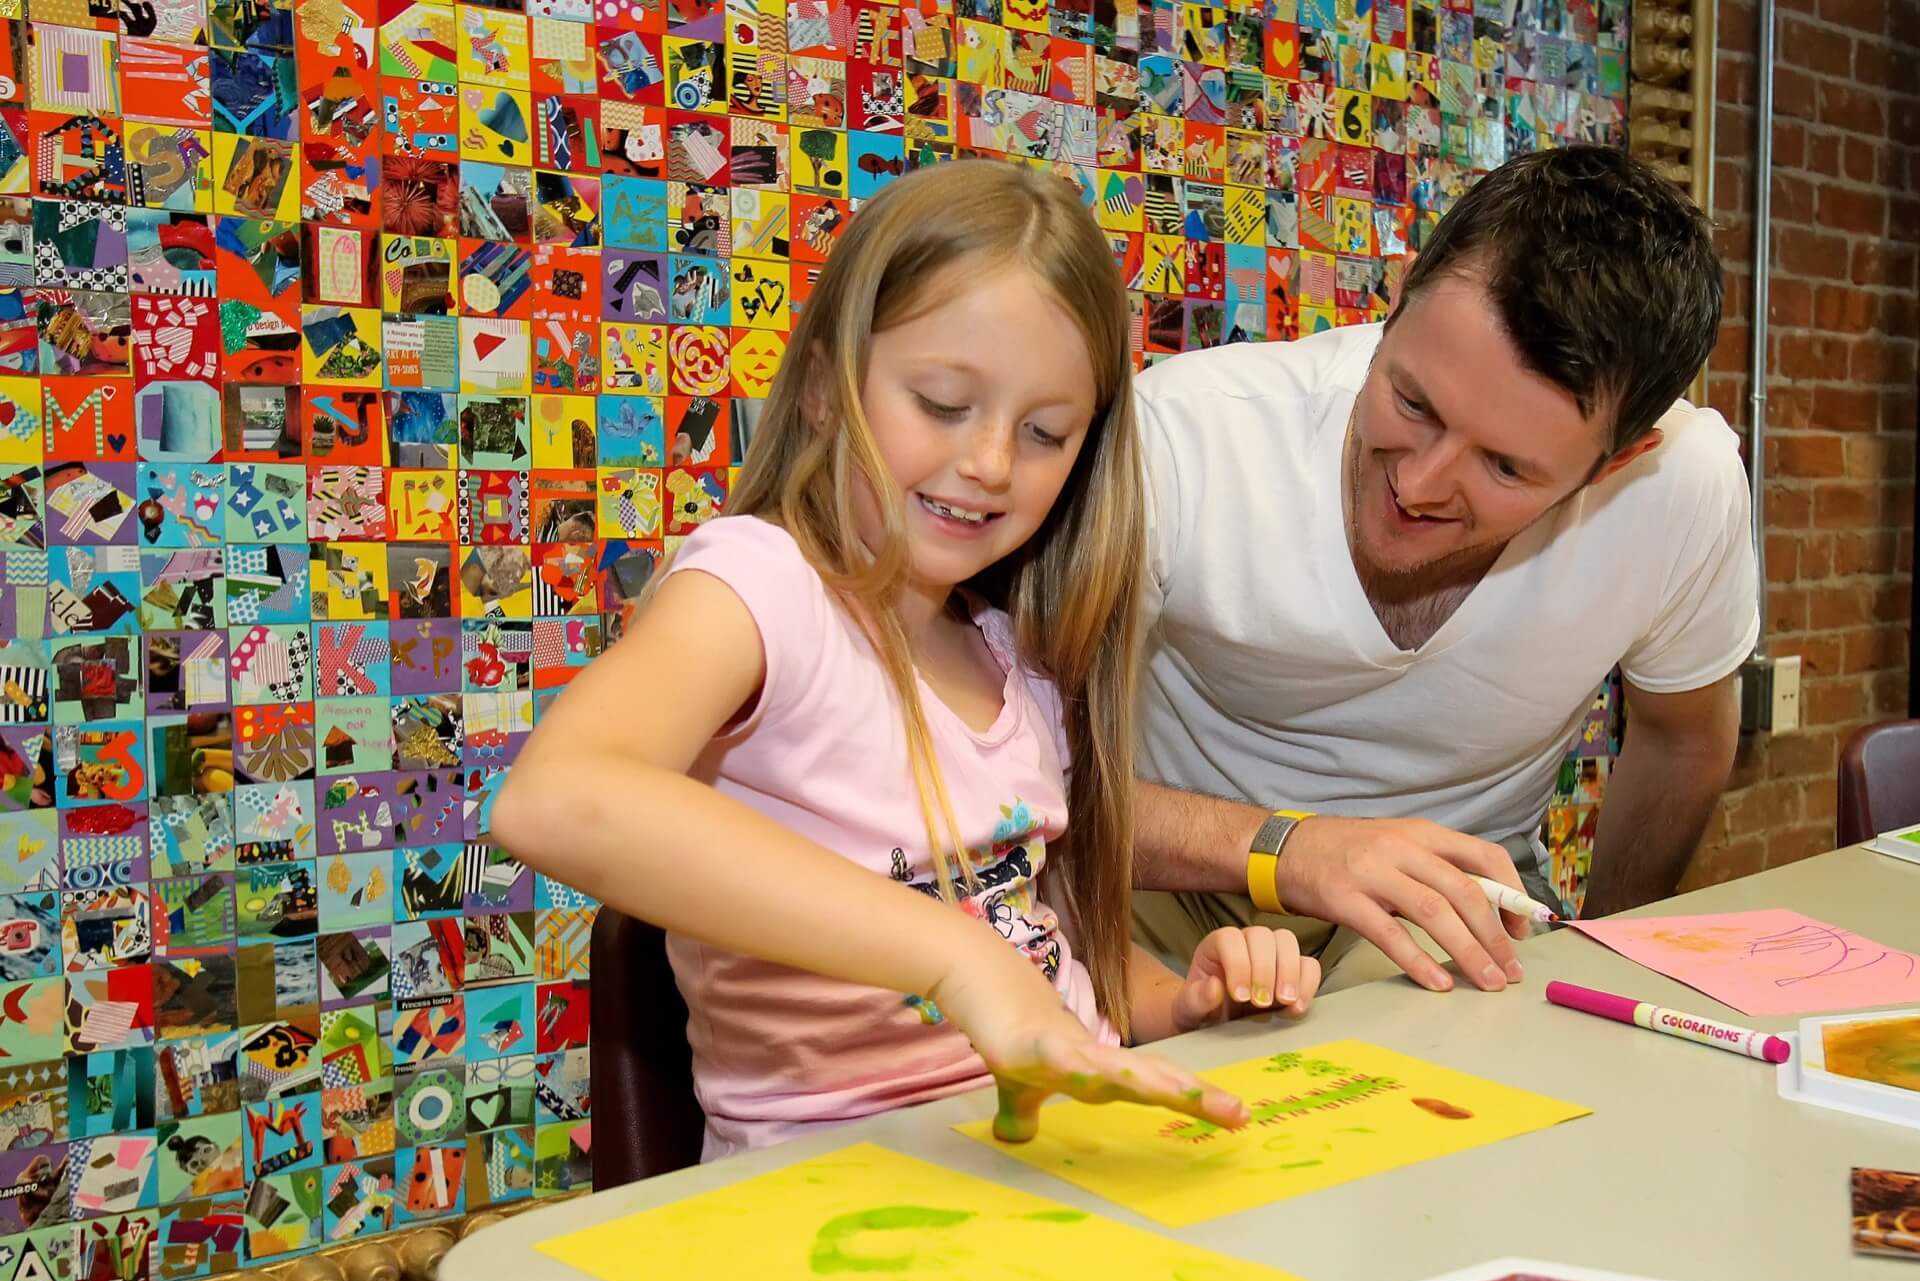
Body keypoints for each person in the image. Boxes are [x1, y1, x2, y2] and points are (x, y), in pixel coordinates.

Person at [489, 159, 1322, 1162]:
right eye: (941, 403)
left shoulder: (1019, 658)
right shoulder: (762, 589)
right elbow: (555, 799)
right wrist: (953, 958)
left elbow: (1044, 959)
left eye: (1046, 432)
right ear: (824, 389)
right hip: (837, 1188)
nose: (993, 463)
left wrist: (1182, 1003)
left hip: (1058, 1161)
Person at [1129, 146, 1757, 995]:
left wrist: (1609, 956)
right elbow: (1007, 786)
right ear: (1398, 301)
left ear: (1616, 464)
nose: (1419, 485)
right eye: (1413, 402)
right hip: (1169, 886)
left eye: (1505, 467)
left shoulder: (1682, 487)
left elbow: (1684, 736)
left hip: (1457, 906)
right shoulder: (1183, 434)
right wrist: (1289, 848)